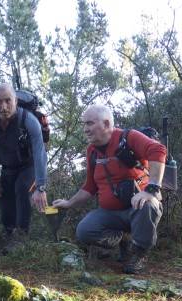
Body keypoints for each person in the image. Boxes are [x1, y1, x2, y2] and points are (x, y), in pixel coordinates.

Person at [52, 105, 166, 274]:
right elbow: (90, 187)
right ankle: (123, 240)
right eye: (84, 124)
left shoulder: (128, 137)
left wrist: (151, 189)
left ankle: (140, 254)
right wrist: (69, 203)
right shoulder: (92, 151)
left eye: (90, 124)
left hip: (137, 209)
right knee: (84, 231)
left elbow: (158, 150)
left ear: (106, 124)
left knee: (148, 205)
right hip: (111, 214)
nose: (85, 129)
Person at [0, 83, 49, 252]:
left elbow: (40, 152)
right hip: (7, 167)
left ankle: (21, 237)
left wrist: (40, 186)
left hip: (29, 166)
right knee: (4, 198)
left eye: (8, 101)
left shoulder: (29, 121)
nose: (3, 106)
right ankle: (8, 235)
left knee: (22, 188)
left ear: (16, 101)